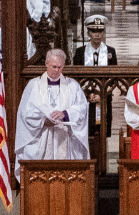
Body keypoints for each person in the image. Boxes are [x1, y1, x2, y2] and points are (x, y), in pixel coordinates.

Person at [14, 48, 92, 176]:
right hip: (42, 137)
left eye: (60, 67)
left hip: (65, 138)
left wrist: (65, 114)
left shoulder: (73, 86)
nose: (57, 70)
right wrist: (43, 121)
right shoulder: (34, 85)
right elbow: (25, 113)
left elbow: (81, 109)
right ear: (46, 64)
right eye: (54, 66)